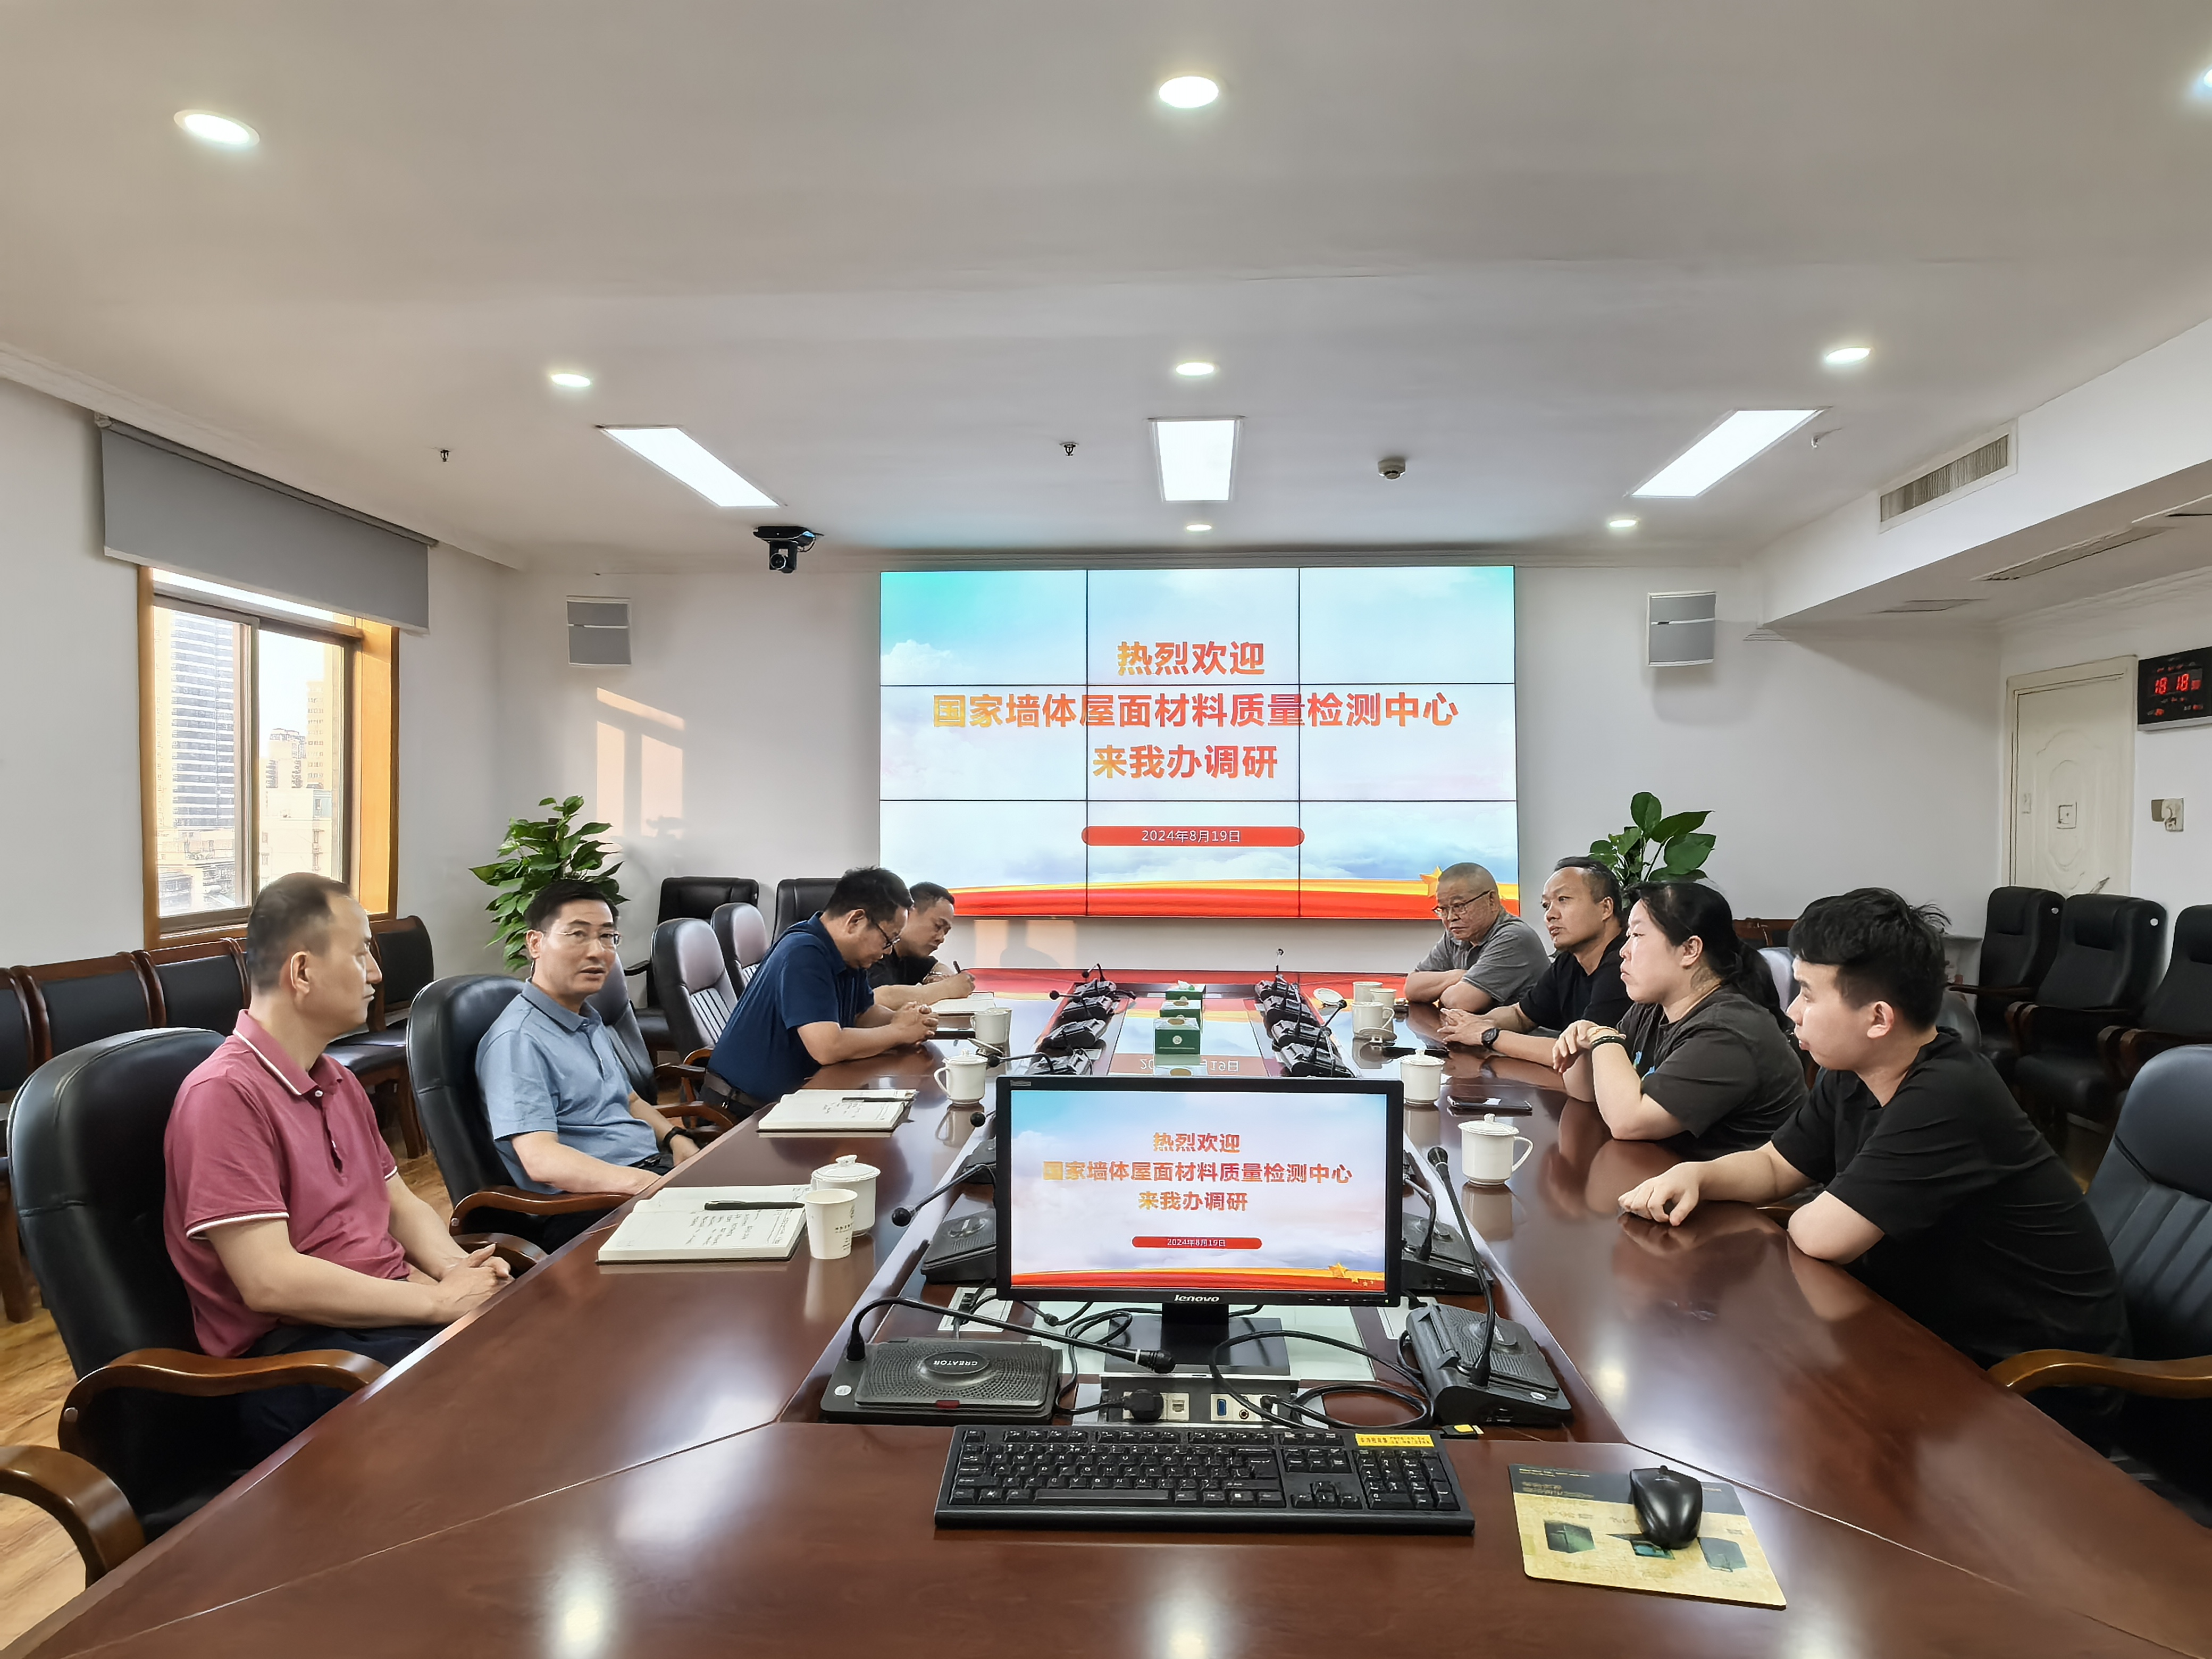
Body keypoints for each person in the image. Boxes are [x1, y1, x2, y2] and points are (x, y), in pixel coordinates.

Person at [1619, 890, 2129, 1409]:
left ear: (1878, 1018)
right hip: (1927, 1334)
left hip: (2034, 1385)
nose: (1792, 1011)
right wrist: (1698, 1176)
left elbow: (1822, 1237)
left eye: (1808, 994)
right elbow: (1774, 1166)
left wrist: (1813, 1211)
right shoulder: (1855, 1072)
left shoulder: (1948, 1095)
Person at [164, 873, 512, 1459]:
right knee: (505, 1394)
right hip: (300, 1360)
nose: (375, 973)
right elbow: (270, 1280)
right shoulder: (223, 1095)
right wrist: (436, 1303)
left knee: (528, 1334)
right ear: (302, 972)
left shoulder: (337, 1079)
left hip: (375, 1319)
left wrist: (458, 1272)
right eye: (359, 954)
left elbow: (398, 1202)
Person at [476, 881, 706, 1248]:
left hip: (645, 1175)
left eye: (607, 937)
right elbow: (541, 1160)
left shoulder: (585, 1018)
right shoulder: (519, 1040)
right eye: (578, 934)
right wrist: (646, 1186)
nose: (597, 951)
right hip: (589, 1208)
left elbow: (629, 1100)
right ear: (535, 943)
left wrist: (675, 1138)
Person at [1553, 881, 1805, 1156]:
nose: (1623, 951)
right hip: (1664, 1169)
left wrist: (1603, 1037)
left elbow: (1629, 1122)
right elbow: (1586, 1093)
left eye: (1637, 935)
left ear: (1689, 950)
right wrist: (1583, 1042)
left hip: (1733, 1185)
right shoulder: (1653, 1008)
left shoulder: (1728, 1033)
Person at [705, 866, 939, 1108]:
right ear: (855, 921)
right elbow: (827, 1047)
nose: (888, 951)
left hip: (799, 1098)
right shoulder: (804, 953)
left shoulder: (851, 957)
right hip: (742, 1110)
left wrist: (905, 1020)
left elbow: (864, 1014)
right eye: (888, 940)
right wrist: (898, 1032)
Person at [1439, 857, 1629, 1061]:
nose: (1550, 915)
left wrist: (1489, 1035)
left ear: (1605, 908)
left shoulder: (1625, 965)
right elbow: (1521, 1015)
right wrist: (1475, 1023)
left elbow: (1579, 1053)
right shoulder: (1570, 961)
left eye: (1563, 900)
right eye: (1546, 905)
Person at [1402, 861, 1551, 1012]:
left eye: (1459, 906)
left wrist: (1440, 990)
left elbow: (1460, 1002)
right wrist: (1458, 976)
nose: (1451, 917)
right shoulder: (1456, 935)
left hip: (1524, 1028)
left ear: (1492, 900)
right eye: (1443, 909)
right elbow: (1412, 988)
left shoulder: (1514, 937)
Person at [870, 881, 977, 1009]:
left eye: (946, 932)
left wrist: (938, 977)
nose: (941, 938)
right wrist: (946, 989)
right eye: (938, 926)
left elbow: (937, 966)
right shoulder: (876, 950)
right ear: (909, 912)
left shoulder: (909, 956)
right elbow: (879, 998)